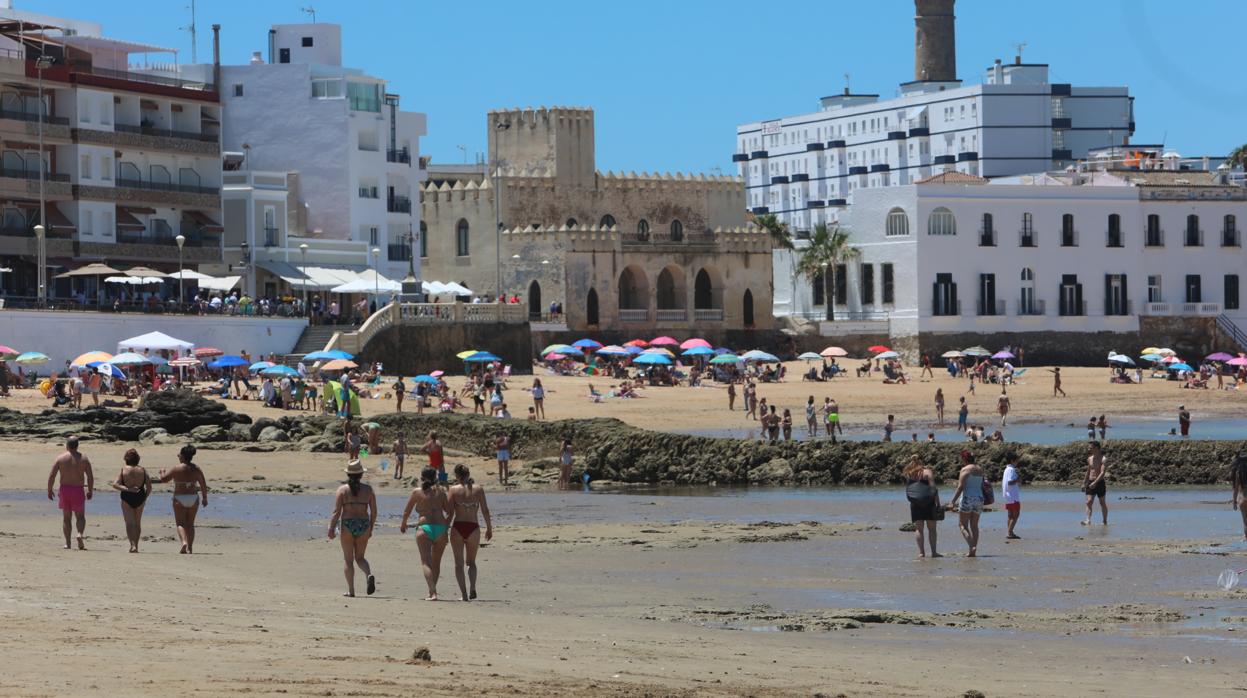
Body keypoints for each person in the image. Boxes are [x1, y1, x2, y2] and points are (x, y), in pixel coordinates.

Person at [328, 460, 378, 597]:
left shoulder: (342, 490)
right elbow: (374, 512)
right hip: (363, 524)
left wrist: (331, 528)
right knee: (360, 557)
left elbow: (336, 511)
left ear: (348, 474)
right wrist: (371, 527)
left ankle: (351, 590)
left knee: (348, 559)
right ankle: (368, 574)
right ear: (361, 474)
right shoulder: (368, 490)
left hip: (348, 524)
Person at [400, 467, 451, 601]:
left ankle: (432, 592)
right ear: (435, 477)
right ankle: (431, 591)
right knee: (436, 563)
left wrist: (403, 524)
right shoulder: (441, 492)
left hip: (425, 528)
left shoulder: (417, 492)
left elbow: (407, 511)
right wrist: (446, 525)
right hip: (440, 528)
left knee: (426, 561)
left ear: (421, 477)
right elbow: (449, 511)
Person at [446, 465, 493, 601]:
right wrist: (489, 528)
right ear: (468, 474)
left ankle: (464, 595)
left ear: (456, 475)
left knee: (458, 564)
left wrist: (443, 530)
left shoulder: (453, 490)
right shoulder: (478, 489)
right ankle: (472, 587)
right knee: (471, 562)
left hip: (458, 527)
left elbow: (449, 513)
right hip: (473, 527)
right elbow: (485, 510)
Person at [155, 444, 209, 554]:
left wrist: (162, 472)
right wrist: (205, 498)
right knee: (190, 524)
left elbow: (164, 479)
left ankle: (184, 542)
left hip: (179, 498)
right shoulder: (196, 468)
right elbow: (203, 484)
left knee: (180, 523)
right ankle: (190, 547)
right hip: (193, 498)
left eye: (179, 455)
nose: (178, 456)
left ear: (183, 456)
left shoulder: (177, 468)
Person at [47, 436, 94, 550]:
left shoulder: (60, 458)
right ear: (77, 445)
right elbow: (90, 477)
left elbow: (52, 475)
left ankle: (68, 543)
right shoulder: (84, 458)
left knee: (66, 518)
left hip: (65, 490)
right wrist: (90, 490)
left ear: (67, 445)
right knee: (80, 517)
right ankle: (79, 534)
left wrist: (49, 489)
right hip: (78, 490)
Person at [110, 448, 151, 553]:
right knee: (137, 523)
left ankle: (132, 544)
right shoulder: (143, 470)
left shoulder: (124, 469)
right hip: (140, 496)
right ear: (137, 459)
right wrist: (145, 498)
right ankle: (136, 545)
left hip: (127, 496)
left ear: (126, 459)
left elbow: (115, 484)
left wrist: (128, 489)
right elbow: (149, 487)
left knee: (129, 523)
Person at [903, 454, 941, 559]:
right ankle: (934, 552)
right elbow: (934, 489)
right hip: (929, 502)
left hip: (915, 503)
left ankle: (921, 553)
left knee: (919, 529)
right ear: (922, 461)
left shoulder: (909, 473)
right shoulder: (927, 472)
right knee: (932, 529)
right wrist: (938, 503)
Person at [949, 450, 985, 557]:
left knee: (962, 525)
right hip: (979, 498)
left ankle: (971, 546)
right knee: (974, 526)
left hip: (967, 498)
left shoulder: (965, 470)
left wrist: (952, 501)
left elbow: (960, 487)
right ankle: (973, 551)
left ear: (964, 459)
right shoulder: (979, 469)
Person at [1082, 441, 1109, 526]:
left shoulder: (1103, 459)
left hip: (1099, 482)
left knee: (1102, 503)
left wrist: (1095, 482)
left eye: (1090, 447)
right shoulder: (1090, 458)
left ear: (1096, 448)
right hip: (1090, 482)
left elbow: (1102, 473)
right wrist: (1084, 482)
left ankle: (1104, 521)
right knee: (1089, 501)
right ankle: (1088, 520)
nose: (1089, 449)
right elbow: (1088, 471)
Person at [1002, 453, 1021, 540]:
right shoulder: (1011, 470)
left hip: (1007, 495)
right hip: (1012, 496)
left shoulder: (1006, 469)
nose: (1018, 462)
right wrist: (1017, 479)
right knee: (1016, 514)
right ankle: (1009, 532)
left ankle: (1010, 531)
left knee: (1010, 515)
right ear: (1012, 461)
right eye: (1016, 460)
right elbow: (1010, 482)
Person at [1232, 451, 1247, 541]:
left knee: (1245, 522)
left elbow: (1236, 489)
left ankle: (1246, 538)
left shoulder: (1238, 473)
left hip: (1242, 499)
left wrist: (1234, 502)